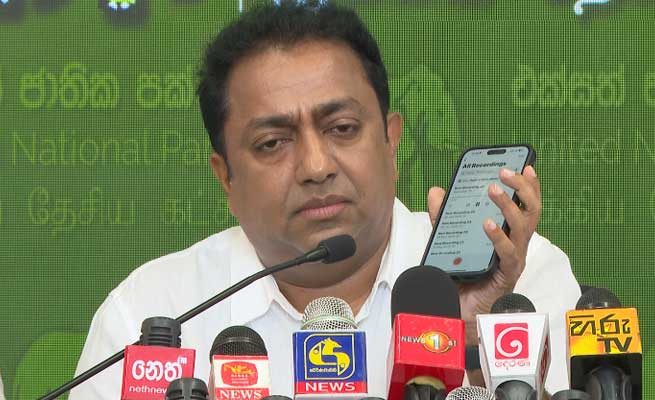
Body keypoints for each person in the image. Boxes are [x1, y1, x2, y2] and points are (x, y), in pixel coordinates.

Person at [70, 3, 580, 399]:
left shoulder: (521, 282)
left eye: (342, 128)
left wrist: (470, 349)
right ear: (226, 179)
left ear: (391, 141)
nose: (316, 167)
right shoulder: (151, 314)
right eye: (273, 142)